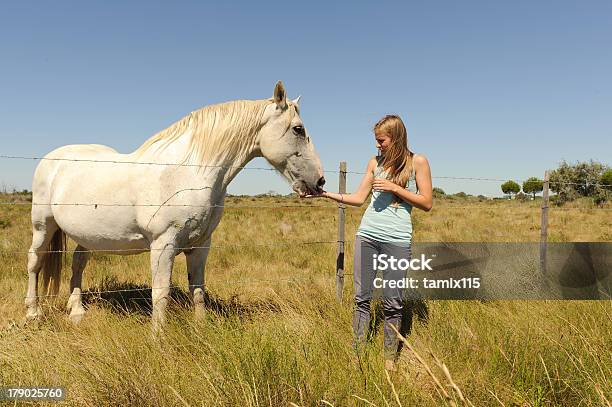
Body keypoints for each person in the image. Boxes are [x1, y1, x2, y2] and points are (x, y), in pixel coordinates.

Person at [305, 114, 432, 371]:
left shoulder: (417, 161)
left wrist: (395, 188)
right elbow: (359, 198)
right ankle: (357, 351)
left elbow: (427, 203)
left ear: (395, 138)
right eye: (376, 141)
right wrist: (325, 194)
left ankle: (389, 358)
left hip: (397, 240)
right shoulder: (375, 162)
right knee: (361, 298)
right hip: (367, 236)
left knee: (392, 301)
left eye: (381, 141)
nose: (378, 146)